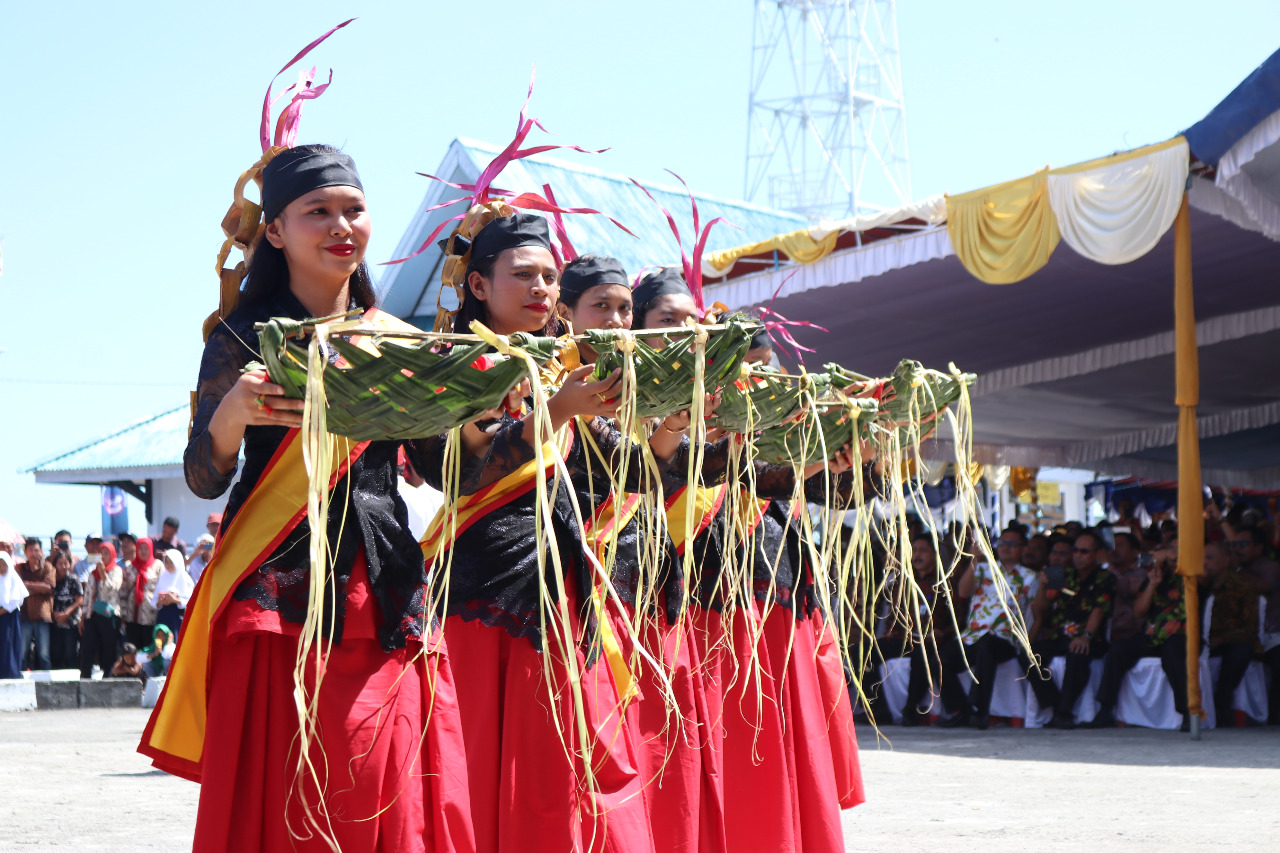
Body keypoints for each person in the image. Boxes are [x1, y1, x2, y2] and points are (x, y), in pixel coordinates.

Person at [140, 124, 474, 853]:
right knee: (283, 793)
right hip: (276, 592)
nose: (339, 226)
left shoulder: (398, 338)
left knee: (376, 787)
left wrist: (453, 406)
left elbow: (449, 469)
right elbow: (204, 475)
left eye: (352, 208)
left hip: (379, 584)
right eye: (317, 211)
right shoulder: (241, 335)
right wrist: (230, 415)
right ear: (277, 231)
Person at [413, 217, 659, 853]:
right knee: (478, 769)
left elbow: (634, 470)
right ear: (477, 284)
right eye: (522, 275)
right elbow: (460, 472)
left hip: (557, 586)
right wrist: (558, 412)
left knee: (547, 777)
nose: (542, 288)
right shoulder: (452, 363)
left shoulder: (556, 370)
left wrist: (675, 427)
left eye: (550, 276)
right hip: (481, 592)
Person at [938, 527, 1038, 729]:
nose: (1006, 548)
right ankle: (960, 709)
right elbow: (963, 592)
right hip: (972, 635)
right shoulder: (984, 568)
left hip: (1006, 638)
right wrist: (974, 559)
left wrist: (1029, 645)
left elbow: (1037, 613)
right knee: (940, 658)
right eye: (1002, 543)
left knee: (987, 647)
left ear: (1023, 549)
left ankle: (979, 710)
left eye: (1012, 544)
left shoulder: (1030, 576)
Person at [1086, 538, 1189, 730]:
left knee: (1173, 655)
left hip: (1181, 635)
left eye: (1174, 552)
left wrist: (1170, 554)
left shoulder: (1192, 577)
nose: (1167, 557)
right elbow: (1138, 612)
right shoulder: (1155, 578)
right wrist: (1152, 585)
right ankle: (1105, 710)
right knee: (1117, 651)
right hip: (1152, 635)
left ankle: (1186, 713)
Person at [1023, 530, 1115, 728]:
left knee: (1077, 654)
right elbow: (1042, 608)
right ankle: (1055, 704)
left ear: (1097, 554)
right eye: (1075, 551)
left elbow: (1099, 611)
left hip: (1090, 638)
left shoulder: (1105, 578)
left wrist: (1086, 637)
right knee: (1030, 655)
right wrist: (1042, 587)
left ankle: (1064, 713)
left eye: (1084, 551)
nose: (1078, 556)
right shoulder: (1065, 575)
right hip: (1060, 636)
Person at [1202, 539, 1260, 725]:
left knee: (1241, 650)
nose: (1204, 563)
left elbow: (1250, 627)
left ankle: (1222, 704)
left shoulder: (1242, 586)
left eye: (1209, 558)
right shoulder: (1196, 586)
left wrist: (1222, 638)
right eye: (1201, 558)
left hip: (1231, 640)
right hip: (1203, 640)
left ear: (1226, 560)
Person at [1230, 526, 1280, 723]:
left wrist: (1238, 569)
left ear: (1258, 548)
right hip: (1242, 634)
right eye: (1233, 545)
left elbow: (1263, 586)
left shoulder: (1271, 567)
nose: (1237, 549)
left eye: (1242, 544)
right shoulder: (1230, 569)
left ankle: (1275, 718)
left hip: (1273, 636)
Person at [80, 541, 123, 679]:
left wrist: (103, 573)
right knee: (87, 646)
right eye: (101, 554)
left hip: (108, 615)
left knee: (108, 648)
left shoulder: (116, 570)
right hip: (92, 616)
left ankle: (108, 676)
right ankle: (85, 676)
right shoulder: (92, 574)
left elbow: (112, 590)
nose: (103, 556)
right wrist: (83, 616)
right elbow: (87, 595)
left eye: (106, 553)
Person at [17, 537, 55, 670]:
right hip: (24, 616)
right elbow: (17, 589)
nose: (34, 553)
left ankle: (47, 685)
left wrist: (27, 585)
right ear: (25, 552)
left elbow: (49, 588)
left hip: (42, 615)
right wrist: (39, 588)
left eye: (36, 550)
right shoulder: (19, 568)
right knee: (21, 653)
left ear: (41, 551)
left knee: (44, 654)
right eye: (31, 550)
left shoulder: (48, 567)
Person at [119, 536, 161, 648]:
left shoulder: (158, 566)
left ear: (151, 549)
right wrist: (123, 613)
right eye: (140, 548)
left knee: (148, 647)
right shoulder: (130, 566)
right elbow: (123, 592)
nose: (143, 551)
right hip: (132, 615)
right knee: (133, 648)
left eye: (146, 548)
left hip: (151, 616)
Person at [49, 550, 83, 669]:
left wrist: (66, 613)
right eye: (60, 563)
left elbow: (79, 600)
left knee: (71, 653)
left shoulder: (73, 579)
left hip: (70, 622)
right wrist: (55, 615)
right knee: (56, 653)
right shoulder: (52, 580)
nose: (63, 566)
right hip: (55, 622)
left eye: (66, 563)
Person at [0, 552, 29, 678]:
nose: (1, 568)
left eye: (4, 565)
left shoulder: (13, 578)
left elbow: (16, 600)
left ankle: (10, 672)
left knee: (8, 643)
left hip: (9, 617)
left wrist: (2, 611)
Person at [152, 549, 193, 635]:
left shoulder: (185, 579)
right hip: (163, 617)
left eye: (171, 562)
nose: (169, 565)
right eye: (166, 562)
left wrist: (175, 600)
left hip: (178, 618)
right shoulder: (163, 577)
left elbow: (191, 602)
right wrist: (160, 601)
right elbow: (154, 601)